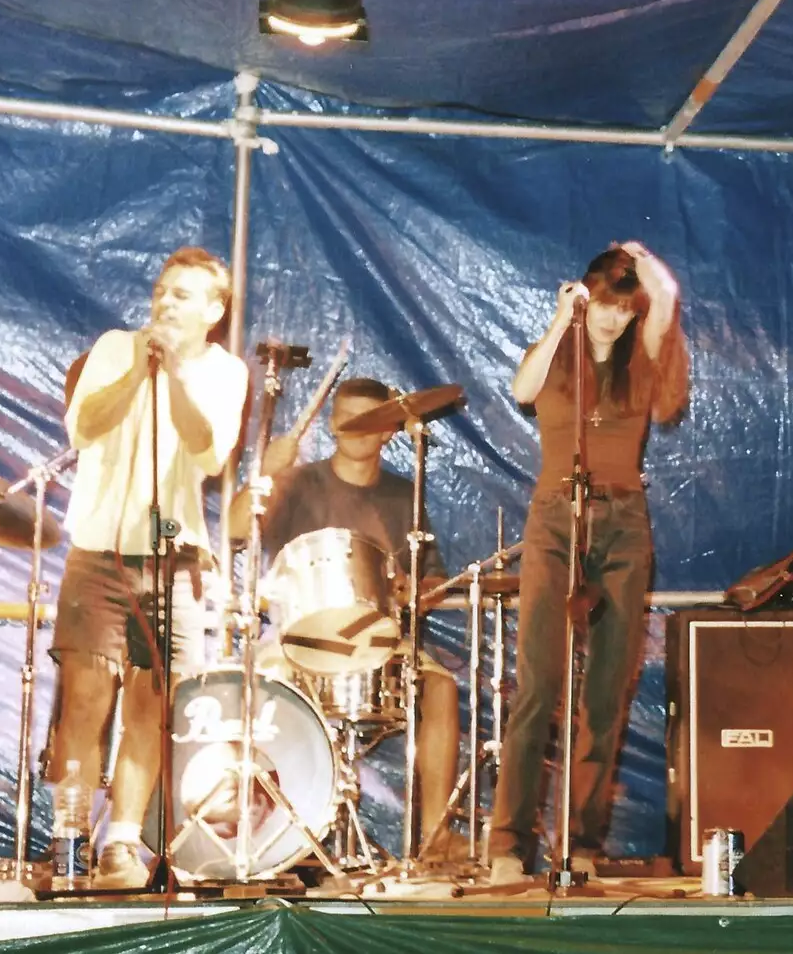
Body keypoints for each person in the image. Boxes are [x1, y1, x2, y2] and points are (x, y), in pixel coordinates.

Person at [487, 242, 688, 886]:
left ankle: (581, 841)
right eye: (604, 305)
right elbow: (521, 390)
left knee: (605, 692)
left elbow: (670, 299)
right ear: (586, 298)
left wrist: (642, 256)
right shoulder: (556, 358)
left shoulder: (642, 361)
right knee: (539, 684)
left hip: (624, 521)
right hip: (555, 515)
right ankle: (509, 844)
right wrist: (560, 317)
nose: (613, 319)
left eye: (624, 309)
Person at [51, 247, 249, 889]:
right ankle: (68, 839)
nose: (165, 302)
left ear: (214, 312)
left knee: (151, 706)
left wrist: (177, 373)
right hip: (101, 550)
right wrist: (141, 368)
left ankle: (121, 842)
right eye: (163, 290)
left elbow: (209, 452)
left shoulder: (226, 372)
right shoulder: (116, 347)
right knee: (84, 703)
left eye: (184, 295)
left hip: (175, 556)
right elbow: (83, 428)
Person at [226, 375, 465, 859]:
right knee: (262, 683)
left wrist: (411, 589)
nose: (353, 429)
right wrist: (265, 474)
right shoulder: (298, 482)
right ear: (332, 425)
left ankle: (435, 836)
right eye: (344, 420)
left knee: (440, 685)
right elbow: (234, 529)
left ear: (389, 431)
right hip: (297, 636)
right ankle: (273, 834)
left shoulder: (404, 494)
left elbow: (430, 579)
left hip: (377, 640)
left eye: (367, 422)